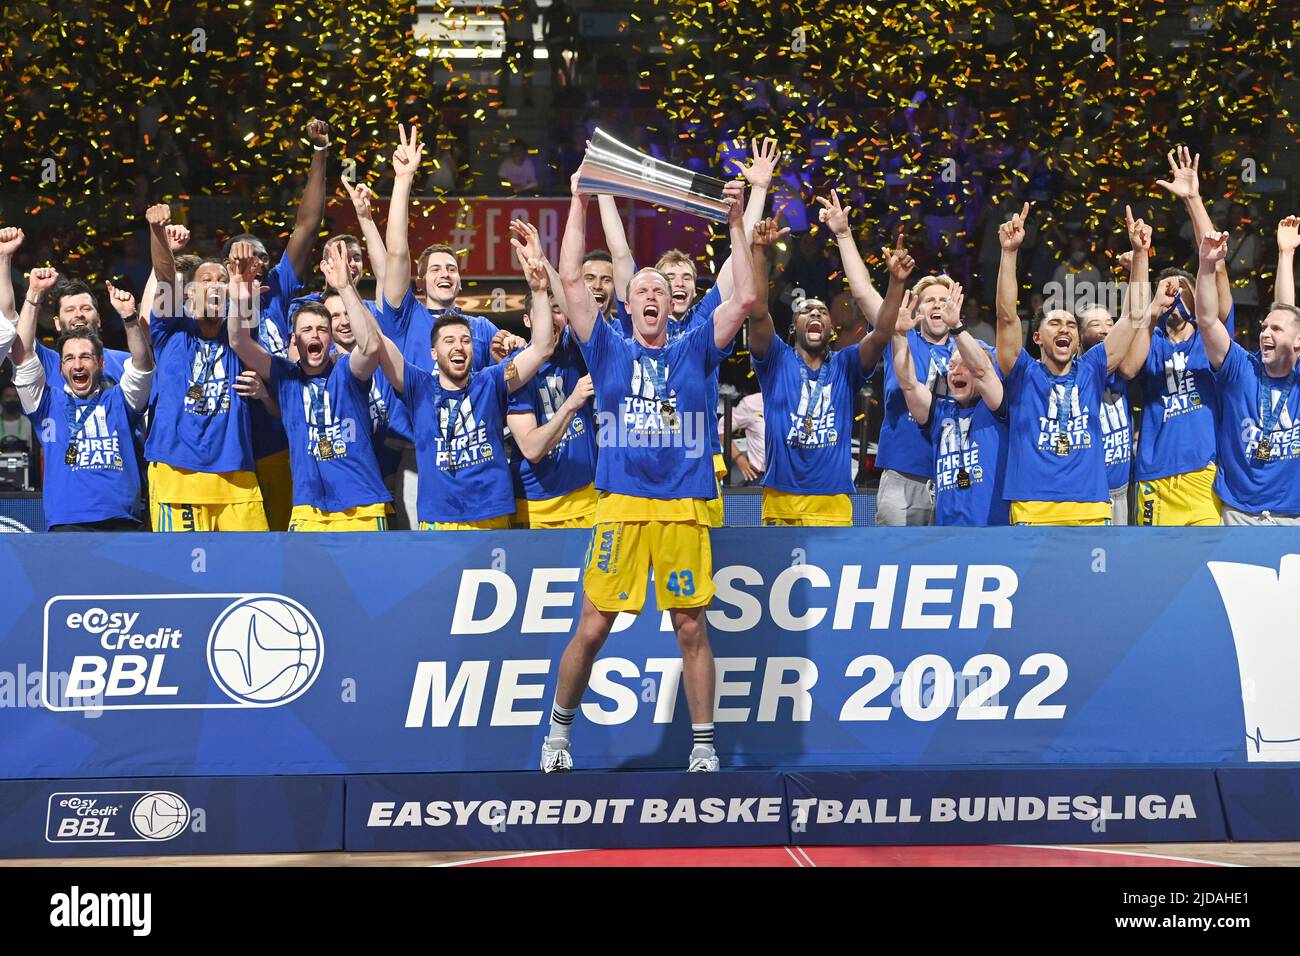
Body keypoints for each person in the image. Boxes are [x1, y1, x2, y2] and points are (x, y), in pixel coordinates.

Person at [541, 173, 755, 774]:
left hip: (684, 502)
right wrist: (578, 200)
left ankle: (705, 749)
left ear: (669, 304)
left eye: (662, 287)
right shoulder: (606, 347)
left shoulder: (694, 348)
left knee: (691, 627)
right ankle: (557, 739)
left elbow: (742, 299)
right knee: (593, 625)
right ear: (629, 303)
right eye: (643, 287)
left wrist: (736, 224)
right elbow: (571, 279)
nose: (654, 293)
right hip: (622, 503)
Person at [379, 124, 523, 528]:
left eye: (452, 269)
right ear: (421, 280)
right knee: (422, 555)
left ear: (459, 282)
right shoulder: (405, 315)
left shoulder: (477, 326)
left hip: (475, 453)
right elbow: (396, 253)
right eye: (435, 268)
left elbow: (507, 357)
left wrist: (509, 344)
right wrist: (404, 181)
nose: (445, 273)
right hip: (416, 454)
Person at [377, 230, 556, 531]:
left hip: (491, 511)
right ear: (433, 352)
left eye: (465, 340)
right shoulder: (419, 386)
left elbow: (541, 348)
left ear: (476, 345)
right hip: (438, 510)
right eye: (449, 341)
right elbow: (376, 341)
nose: (458, 347)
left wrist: (539, 291)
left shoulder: (492, 380)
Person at [749, 218, 910, 525]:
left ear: (830, 328)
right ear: (792, 328)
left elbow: (882, 333)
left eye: (821, 311)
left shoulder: (846, 364)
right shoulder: (776, 360)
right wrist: (759, 252)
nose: (814, 313)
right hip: (781, 499)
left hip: (833, 501)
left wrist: (896, 283)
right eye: (805, 311)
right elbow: (757, 311)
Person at [995, 202, 1146, 526]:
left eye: (1070, 326)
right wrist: (1009, 253)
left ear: (1079, 342)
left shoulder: (1091, 370)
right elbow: (1006, 316)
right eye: (1054, 324)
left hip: (1090, 507)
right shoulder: (1022, 372)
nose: (1064, 328)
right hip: (1033, 509)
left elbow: (1133, 315)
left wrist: (1140, 255)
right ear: (1036, 338)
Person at [228, 240, 393, 531]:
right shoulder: (285, 375)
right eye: (305, 330)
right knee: (307, 578)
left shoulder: (347, 372)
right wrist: (241, 300)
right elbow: (239, 341)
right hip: (308, 507)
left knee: (369, 578)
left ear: (330, 340)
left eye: (321, 330)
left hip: (363, 504)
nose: (314, 335)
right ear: (294, 340)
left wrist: (345, 288)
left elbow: (369, 346)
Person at [219, 119, 332, 531]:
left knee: (288, 547)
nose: (257, 263)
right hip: (229, 452)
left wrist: (319, 154)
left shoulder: (278, 292)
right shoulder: (211, 306)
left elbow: (306, 225)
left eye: (262, 257)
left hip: (281, 443)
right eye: (243, 259)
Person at [143, 204, 270, 532]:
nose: (215, 285)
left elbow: (243, 303)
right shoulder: (169, 329)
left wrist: (242, 275)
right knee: (183, 581)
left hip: (236, 474)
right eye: (206, 280)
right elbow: (165, 275)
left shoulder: (242, 330)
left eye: (222, 281)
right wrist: (158, 232)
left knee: (251, 576)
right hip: (176, 474)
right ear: (188, 294)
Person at [10, 282, 154, 531]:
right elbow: (22, 357)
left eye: (85, 357)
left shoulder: (120, 400)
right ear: (60, 367)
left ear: (101, 363)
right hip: (68, 522)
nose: (77, 364)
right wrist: (33, 295)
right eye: (69, 358)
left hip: (123, 519)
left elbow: (142, 365)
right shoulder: (46, 404)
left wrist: (129, 318)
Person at [1197, 231, 1300, 524]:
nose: (1265, 333)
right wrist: (1206, 265)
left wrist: (1286, 254)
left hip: (1294, 514)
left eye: (1274, 330)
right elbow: (1206, 321)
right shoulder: (1241, 368)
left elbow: (1288, 314)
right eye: (1264, 327)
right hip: (1239, 513)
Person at [506, 222, 598, 528]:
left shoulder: (576, 351)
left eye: (558, 309)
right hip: (536, 508)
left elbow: (578, 309)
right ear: (527, 320)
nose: (554, 317)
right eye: (546, 310)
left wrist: (543, 261)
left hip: (587, 499)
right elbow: (531, 449)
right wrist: (571, 403)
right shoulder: (514, 370)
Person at [894, 283, 1009, 526]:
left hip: (993, 531)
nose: (955, 371)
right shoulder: (942, 412)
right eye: (952, 365)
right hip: (946, 531)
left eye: (963, 365)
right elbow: (909, 385)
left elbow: (983, 370)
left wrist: (956, 327)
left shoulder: (997, 409)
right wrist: (900, 336)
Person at [0, 227, 130, 385]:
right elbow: (9, 321)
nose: (78, 314)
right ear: (56, 323)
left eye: (86, 308)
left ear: (99, 319)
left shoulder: (125, 363)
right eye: (70, 310)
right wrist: (3, 257)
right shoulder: (46, 362)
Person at [1079, 305, 1135, 524]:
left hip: (1123, 489)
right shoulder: (1081, 372)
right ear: (1079, 336)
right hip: (1092, 495)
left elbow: (1132, 319)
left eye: (1110, 324)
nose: (1104, 330)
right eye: (1095, 324)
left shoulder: (1125, 371)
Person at [724, 390, 765, 485]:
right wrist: (739, 458)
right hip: (760, 476)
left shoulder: (798, 403)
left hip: (791, 477)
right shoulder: (751, 403)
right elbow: (722, 429)